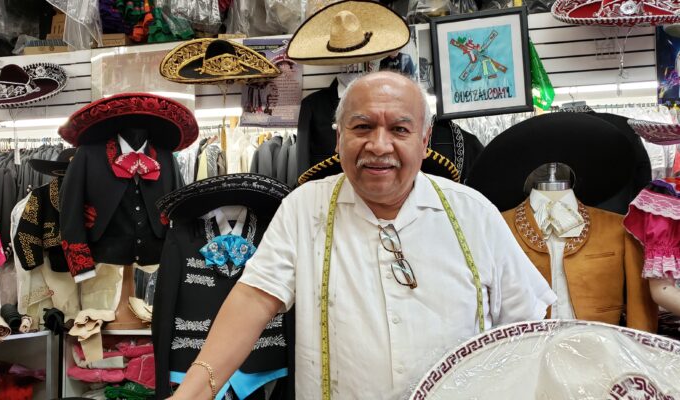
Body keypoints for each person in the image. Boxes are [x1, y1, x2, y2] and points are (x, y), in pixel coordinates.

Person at [170, 71, 556, 399]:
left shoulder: (474, 213)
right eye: (363, 126)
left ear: (423, 142)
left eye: (399, 129)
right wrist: (189, 394)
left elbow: (528, 327)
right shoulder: (305, 209)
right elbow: (253, 300)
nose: (379, 145)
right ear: (339, 140)